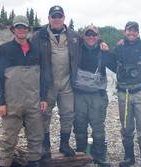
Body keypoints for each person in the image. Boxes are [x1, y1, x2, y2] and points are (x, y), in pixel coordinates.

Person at [0, 15, 47, 167]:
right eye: (18, 27)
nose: (21, 30)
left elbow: (44, 76)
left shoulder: (36, 50)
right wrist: (0, 102)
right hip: (11, 104)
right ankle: (4, 164)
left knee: (36, 137)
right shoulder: (3, 50)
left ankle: (34, 162)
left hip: (33, 102)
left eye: (24, 27)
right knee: (8, 139)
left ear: (28, 30)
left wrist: (43, 98)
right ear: (13, 30)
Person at [32, 5, 81, 158]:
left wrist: (100, 41)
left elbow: (89, 41)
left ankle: (64, 144)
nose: (57, 19)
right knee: (44, 115)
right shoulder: (39, 35)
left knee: (68, 114)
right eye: (54, 16)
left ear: (64, 18)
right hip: (48, 85)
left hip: (67, 83)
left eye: (59, 16)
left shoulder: (74, 36)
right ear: (49, 19)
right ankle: (45, 145)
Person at [73, 25, 115, 167]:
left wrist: (108, 52)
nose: (91, 37)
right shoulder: (77, 49)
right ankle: (81, 153)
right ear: (84, 36)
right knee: (79, 125)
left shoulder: (103, 51)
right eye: (88, 34)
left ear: (98, 37)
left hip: (97, 95)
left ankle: (99, 156)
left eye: (94, 35)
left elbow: (116, 68)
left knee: (98, 127)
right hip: (79, 95)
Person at [113, 21, 141, 167]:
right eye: (129, 31)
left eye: (134, 31)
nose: (132, 33)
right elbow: (110, 60)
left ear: (138, 32)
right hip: (124, 93)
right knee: (126, 128)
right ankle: (129, 157)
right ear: (125, 32)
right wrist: (102, 43)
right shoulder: (118, 47)